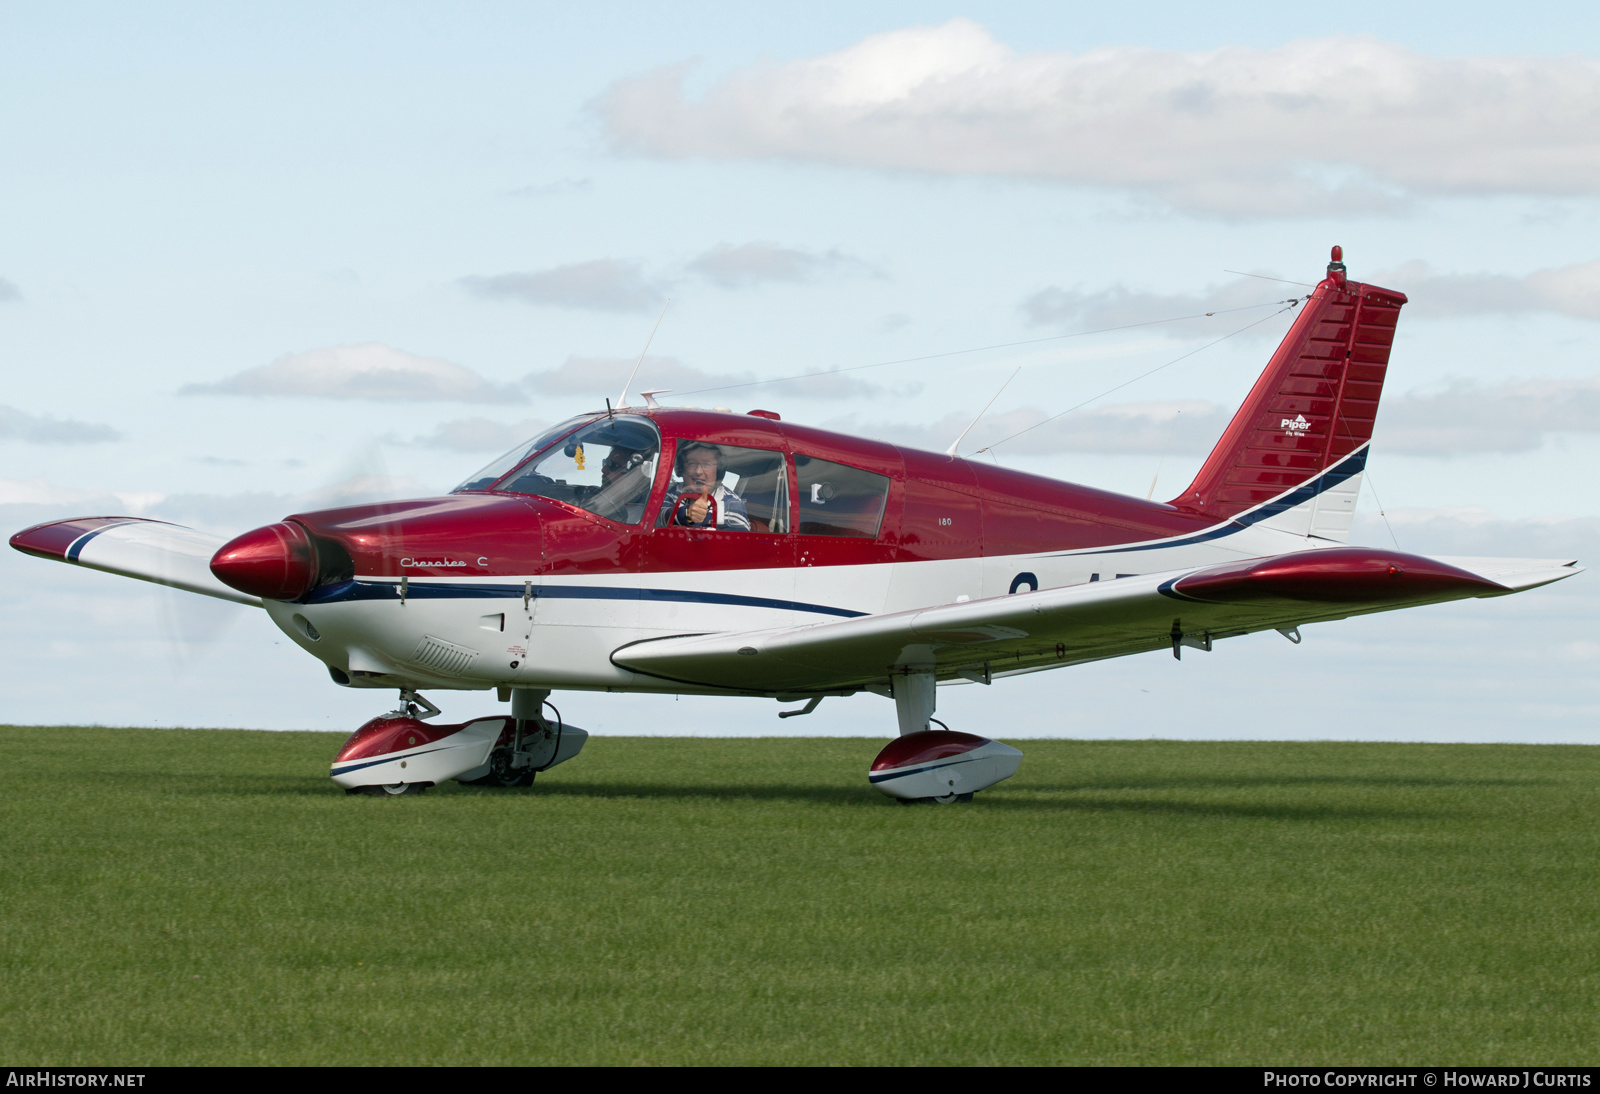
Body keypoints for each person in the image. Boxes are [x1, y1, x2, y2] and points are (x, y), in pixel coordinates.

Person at [662, 442, 750, 531]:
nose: (698, 471)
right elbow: (660, 516)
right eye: (692, 463)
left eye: (707, 464)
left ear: (719, 471)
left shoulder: (732, 503)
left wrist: (706, 518)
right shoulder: (671, 491)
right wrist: (687, 514)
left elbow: (737, 539)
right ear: (681, 468)